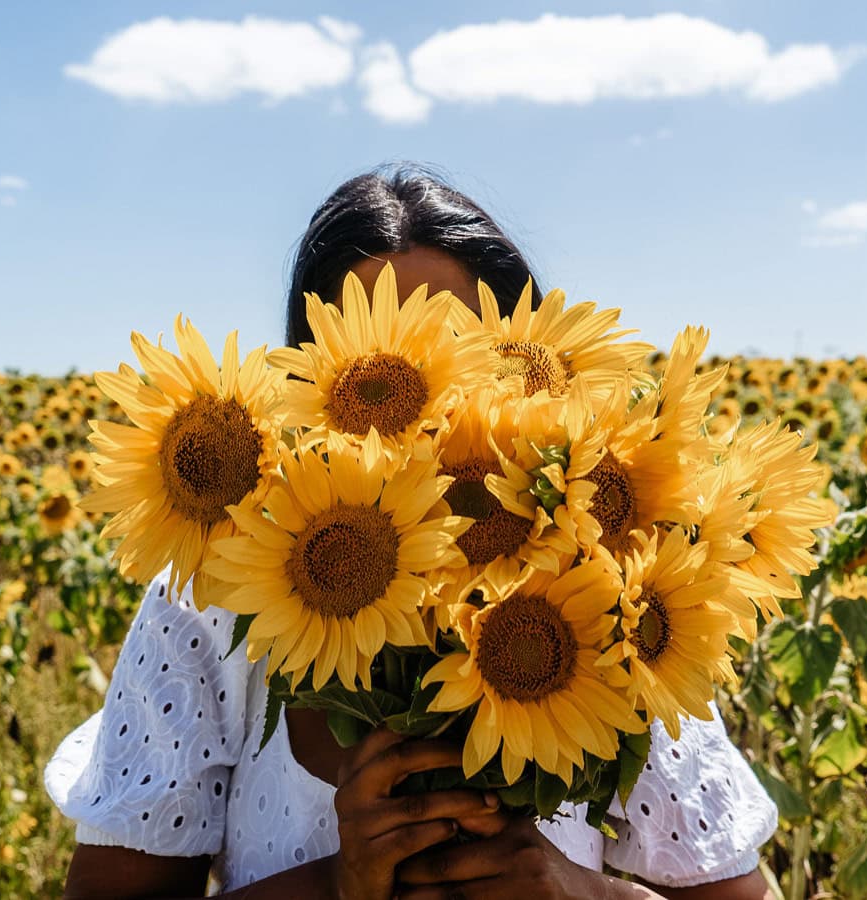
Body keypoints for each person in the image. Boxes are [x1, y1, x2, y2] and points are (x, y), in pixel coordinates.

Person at [44, 163, 779, 899]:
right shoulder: (212, 601)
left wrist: (585, 892)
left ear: (529, 375)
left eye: (457, 352)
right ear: (308, 383)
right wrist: (336, 886)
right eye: (384, 371)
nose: (427, 406)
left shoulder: (613, 599)